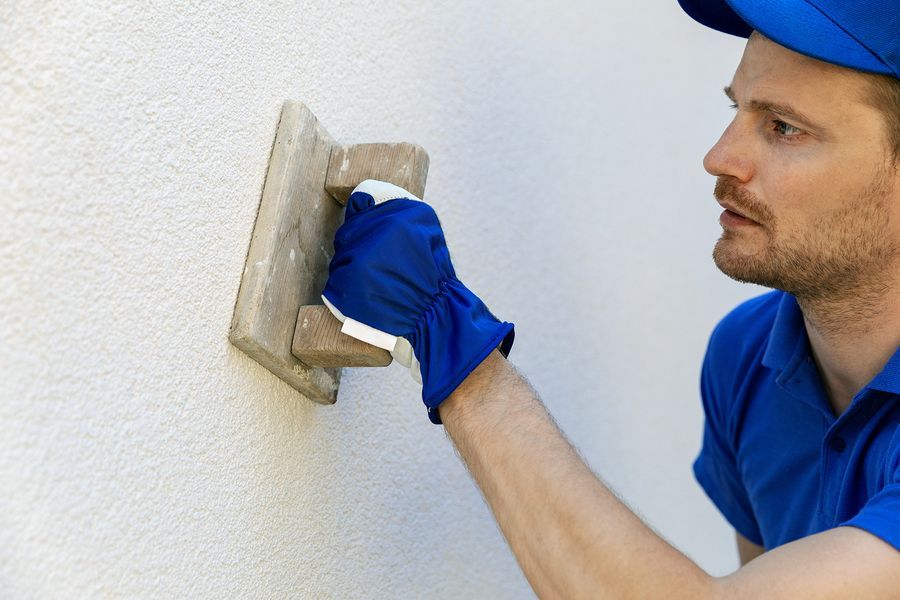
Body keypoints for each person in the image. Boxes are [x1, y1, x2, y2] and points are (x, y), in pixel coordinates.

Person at [321, 0, 900, 596]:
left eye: (783, 127)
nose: (719, 158)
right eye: (737, 108)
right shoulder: (749, 359)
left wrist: (450, 341)